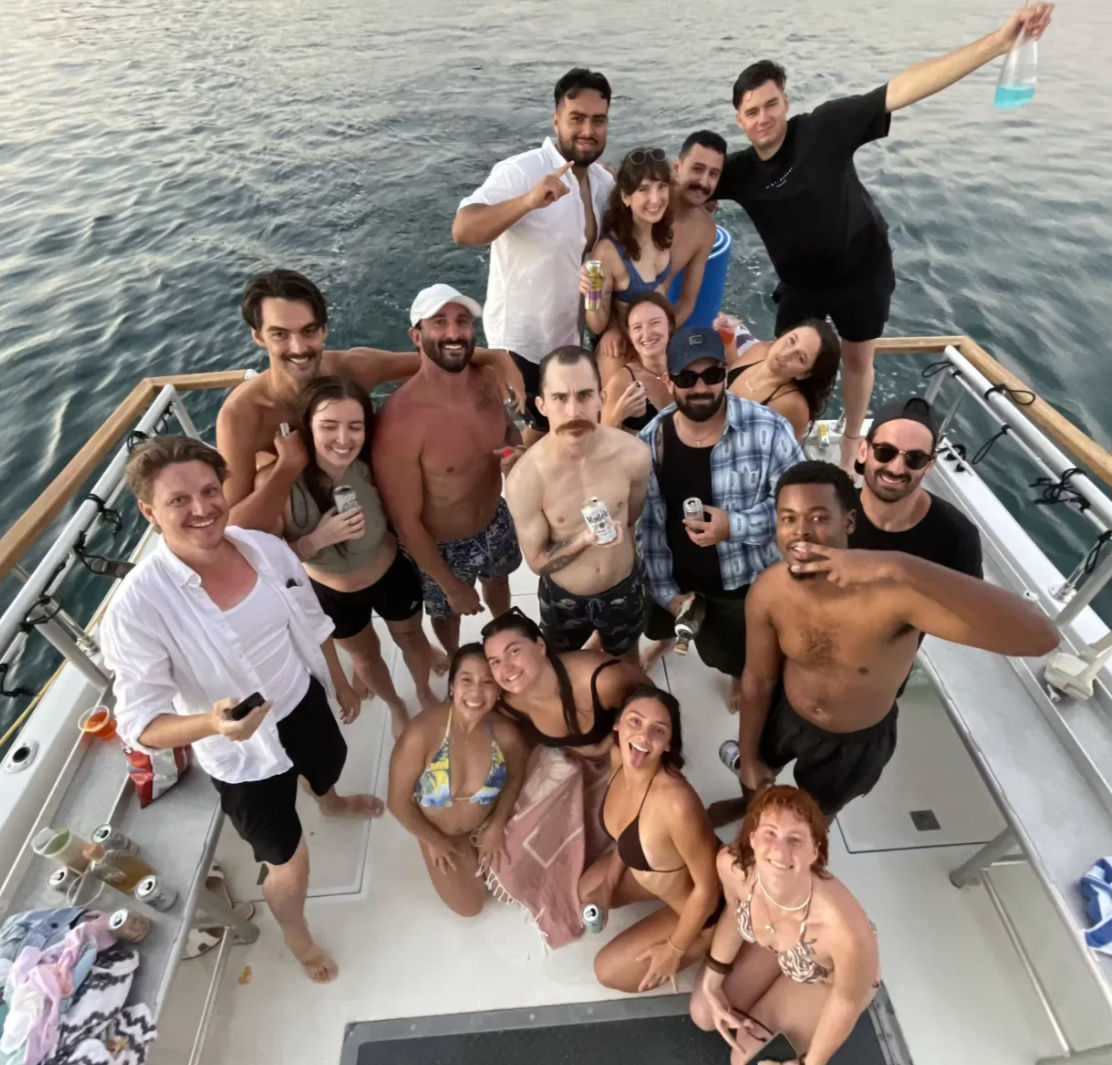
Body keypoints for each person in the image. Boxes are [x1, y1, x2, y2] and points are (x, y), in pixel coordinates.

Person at [712, 4, 1055, 472]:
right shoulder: (739, 172)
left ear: (786, 103)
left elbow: (904, 88)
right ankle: (787, 426)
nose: (763, 118)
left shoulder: (824, 127)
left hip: (862, 270)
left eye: (771, 105)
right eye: (751, 112)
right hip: (802, 283)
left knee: (856, 359)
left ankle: (853, 439)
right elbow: (684, 184)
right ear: (739, 120)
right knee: (788, 358)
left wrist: (998, 43)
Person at [99, 436, 380, 985]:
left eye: (209, 490)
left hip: (301, 699)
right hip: (243, 751)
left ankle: (332, 800)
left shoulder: (261, 547)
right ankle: (298, 940)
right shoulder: (137, 608)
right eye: (179, 500)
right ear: (149, 512)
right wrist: (212, 724)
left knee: (326, 769)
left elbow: (309, 618)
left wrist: (340, 682)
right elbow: (140, 725)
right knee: (288, 864)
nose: (202, 508)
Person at [713, 460, 1058, 827]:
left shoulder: (897, 598)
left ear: (848, 522)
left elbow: (1040, 638)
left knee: (814, 816)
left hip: (853, 742)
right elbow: (759, 679)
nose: (802, 532)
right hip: (786, 714)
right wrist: (748, 757)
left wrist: (899, 565)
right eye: (788, 518)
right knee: (756, 776)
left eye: (818, 518)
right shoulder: (770, 589)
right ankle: (748, 806)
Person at [217, 269, 524, 531]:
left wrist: (497, 357)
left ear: (324, 330)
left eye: (308, 331)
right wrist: (286, 468)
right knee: (266, 479)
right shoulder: (243, 416)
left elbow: (434, 356)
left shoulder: (354, 367)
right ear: (258, 337)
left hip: (375, 507)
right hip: (313, 528)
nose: (298, 347)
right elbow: (231, 524)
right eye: (280, 335)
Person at [254, 375, 439, 736]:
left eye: (355, 427)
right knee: (365, 656)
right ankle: (396, 705)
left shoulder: (372, 464)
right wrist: (314, 541)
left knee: (412, 638)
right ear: (307, 426)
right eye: (329, 426)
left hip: (390, 573)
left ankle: (423, 689)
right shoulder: (279, 483)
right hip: (330, 591)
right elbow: (264, 563)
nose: (343, 439)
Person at [636, 325, 804, 710]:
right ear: (670, 380)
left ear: (726, 374)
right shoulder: (650, 440)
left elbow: (801, 510)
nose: (701, 387)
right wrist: (665, 593)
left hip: (742, 581)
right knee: (658, 623)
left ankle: (736, 676)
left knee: (737, 650)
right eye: (687, 377)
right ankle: (664, 640)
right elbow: (646, 528)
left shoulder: (770, 428)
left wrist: (735, 526)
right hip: (674, 578)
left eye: (712, 375)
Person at [453, 68, 615, 438]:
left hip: (569, 342)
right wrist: (526, 202)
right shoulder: (521, 172)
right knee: (528, 448)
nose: (587, 130)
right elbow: (463, 229)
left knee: (561, 443)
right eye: (576, 119)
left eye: (598, 120)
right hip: (519, 347)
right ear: (556, 119)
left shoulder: (604, 183)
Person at [478, 608, 649, 947]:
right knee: (514, 846)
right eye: (495, 661)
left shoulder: (599, 678)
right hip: (579, 761)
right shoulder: (510, 702)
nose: (506, 668)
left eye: (514, 651)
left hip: (626, 758)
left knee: (627, 837)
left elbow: (655, 703)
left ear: (541, 646)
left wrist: (617, 749)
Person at [372, 284, 523, 659]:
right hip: (443, 545)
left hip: (495, 518)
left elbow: (505, 431)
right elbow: (406, 522)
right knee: (447, 613)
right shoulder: (400, 421)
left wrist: (511, 452)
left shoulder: (488, 379)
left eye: (462, 322)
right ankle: (456, 655)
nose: (454, 333)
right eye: (439, 323)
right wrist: (451, 586)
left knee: (499, 580)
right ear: (417, 336)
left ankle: (506, 636)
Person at [690, 786, 880, 1065]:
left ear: (815, 851)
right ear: (752, 838)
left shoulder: (847, 934)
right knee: (704, 1012)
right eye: (770, 834)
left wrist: (809, 1063)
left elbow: (846, 1003)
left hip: (828, 979)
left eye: (795, 839)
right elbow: (734, 914)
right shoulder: (731, 866)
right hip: (775, 946)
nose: (780, 851)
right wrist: (712, 981)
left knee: (742, 1058)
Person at [506, 346, 651, 661]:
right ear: (541, 405)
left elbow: (632, 518)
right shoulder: (526, 479)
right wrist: (583, 540)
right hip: (564, 597)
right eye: (560, 398)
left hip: (622, 585)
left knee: (627, 659)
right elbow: (536, 561)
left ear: (601, 397)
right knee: (562, 664)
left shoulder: (633, 455)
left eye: (584, 395)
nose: (573, 412)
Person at [579, 686, 720, 993]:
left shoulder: (675, 804)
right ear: (617, 724)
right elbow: (624, 832)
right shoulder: (619, 758)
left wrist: (675, 949)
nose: (643, 737)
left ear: (668, 744)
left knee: (607, 972)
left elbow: (708, 891)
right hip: (658, 871)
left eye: (658, 730)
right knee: (588, 889)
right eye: (635, 722)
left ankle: (715, 941)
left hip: (703, 910)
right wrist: (607, 884)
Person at [386, 644, 528, 916]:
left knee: (523, 889)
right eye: (466, 680)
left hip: (484, 822)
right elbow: (397, 802)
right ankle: (431, 842)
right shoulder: (421, 735)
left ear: (499, 690)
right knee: (470, 906)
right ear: (452, 686)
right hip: (437, 831)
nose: (476, 692)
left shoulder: (506, 735)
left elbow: (515, 777)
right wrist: (434, 841)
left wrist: (496, 826)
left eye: (488, 682)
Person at [850, 396, 982, 576]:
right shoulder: (831, 512)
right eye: (885, 452)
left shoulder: (957, 537)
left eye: (915, 459)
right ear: (863, 451)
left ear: (929, 465)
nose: (896, 469)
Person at [581, 147, 673, 356]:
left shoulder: (664, 232)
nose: (656, 198)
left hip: (658, 341)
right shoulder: (609, 252)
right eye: (644, 189)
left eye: (662, 186)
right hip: (622, 348)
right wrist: (591, 296)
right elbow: (596, 326)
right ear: (625, 197)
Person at [720, 315, 841, 442]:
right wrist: (728, 342)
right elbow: (734, 372)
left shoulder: (792, 406)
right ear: (785, 334)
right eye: (792, 341)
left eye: (800, 357)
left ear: (804, 375)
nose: (785, 354)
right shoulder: (760, 350)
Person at [667, 130, 726, 326]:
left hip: (652, 329)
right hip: (611, 327)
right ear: (676, 167)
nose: (703, 182)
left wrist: (659, 335)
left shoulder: (705, 229)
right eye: (697, 169)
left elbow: (686, 302)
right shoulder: (645, 202)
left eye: (713, 174)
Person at [599, 292, 675, 433]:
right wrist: (617, 416)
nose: (646, 334)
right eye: (637, 327)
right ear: (629, 334)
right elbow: (602, 440)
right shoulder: (621, 382)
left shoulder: (686, 370)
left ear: (669, 325)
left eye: (655, 323)